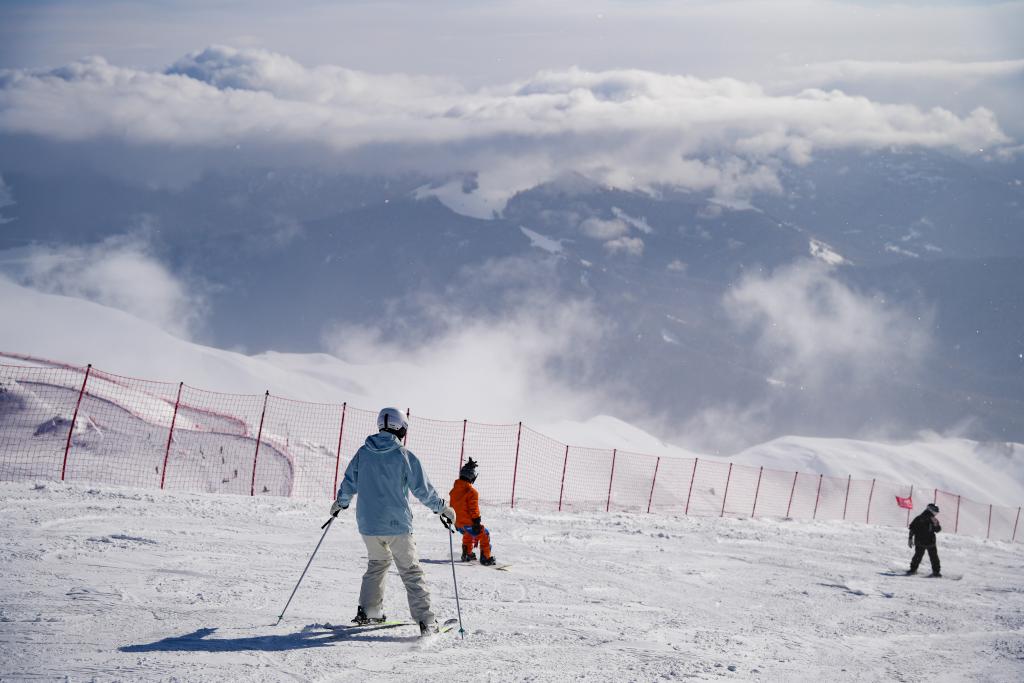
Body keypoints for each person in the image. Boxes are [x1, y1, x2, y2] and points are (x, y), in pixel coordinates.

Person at [329, 407, 456, 635]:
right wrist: (442, 508)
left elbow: (349, 483)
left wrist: (341, 503)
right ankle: (426, 621)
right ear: (401, 428)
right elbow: (422, 489)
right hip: (397, 525)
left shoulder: (363, 453)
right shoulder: (403, 455)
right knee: (410, 570)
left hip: (368, 525)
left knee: (377, 564)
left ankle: (370, 611)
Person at [449, 457, 497, 566]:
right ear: (471, 476)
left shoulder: (454, 490)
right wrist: (476, 522)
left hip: (458, 523)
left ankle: (467, 554)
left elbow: (452, 506)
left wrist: (453, 520)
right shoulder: (471, 492)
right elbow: (473, 509)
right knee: (484, 533)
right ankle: (486, 558)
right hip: (467, 523)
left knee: (468, 533)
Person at [907, 502, 942, 577]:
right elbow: (912, 528)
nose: (936, 513)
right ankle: (936, 572)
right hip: (927, 541)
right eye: (935, 511)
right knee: (932, 557)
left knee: (919, 556)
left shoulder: (924, 518)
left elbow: (937, 530)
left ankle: (913, 569)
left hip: (924, 541)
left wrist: (910, 538)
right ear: (931, 510)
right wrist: (910, 538)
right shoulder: (921, 518)